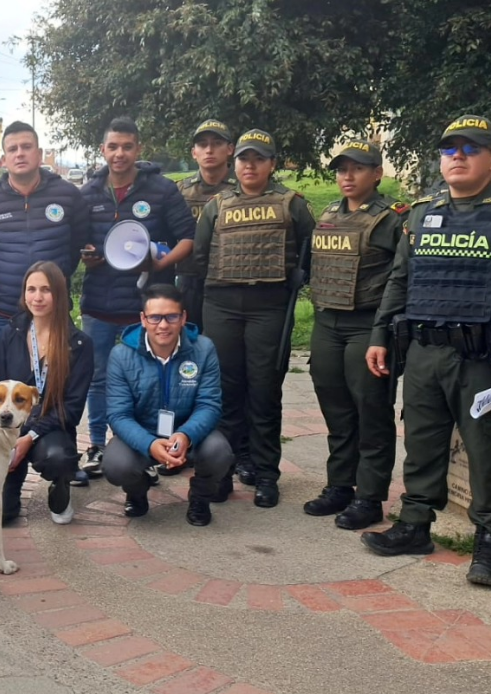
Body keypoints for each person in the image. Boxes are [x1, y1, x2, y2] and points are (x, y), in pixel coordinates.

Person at [362, 115, 491, 588]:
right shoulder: (423, 211)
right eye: (450, 150)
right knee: (422, 444)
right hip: (426, 351)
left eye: (471, 149)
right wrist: (379, 334)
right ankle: (414, 524)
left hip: (484, 359)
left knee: (487, 452)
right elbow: (401, 280)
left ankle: (490, 542)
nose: (458, 157)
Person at [193, 129, 314, 509]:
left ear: (271, 164)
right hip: (222, 304)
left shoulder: (293, 204)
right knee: (225, 393)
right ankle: (222, 473)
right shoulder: (217, 205)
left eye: (258, 159)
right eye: (244, 158)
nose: (250, 165)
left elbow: (311, 251)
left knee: (264, 393)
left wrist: (300, 275)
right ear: (237, 162)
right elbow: (200, 257)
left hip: (269, 306)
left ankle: (266, 475)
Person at [78, 117, 193, 483]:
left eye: (127, 146)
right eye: (113, 147)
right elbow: (76, 240)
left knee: (148, 381)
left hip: (144, 308)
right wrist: (86, 255)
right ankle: (97, 444)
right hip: (98, 303)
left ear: (138, 149)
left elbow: (188, 239)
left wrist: (161, 262)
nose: (120, 153)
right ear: (103, 150)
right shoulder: (89, 192)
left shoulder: (162, 190)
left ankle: (148, 447)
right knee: (97, 380)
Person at [303, 140, 405, 530]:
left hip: (369, 324)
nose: (347, 176)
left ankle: (370, 497)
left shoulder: (394, 218)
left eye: (357, 168)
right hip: (328, 322)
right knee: (337, 409)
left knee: (372, 411)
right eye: (342, 169)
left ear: (377, 173)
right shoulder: (328, 213)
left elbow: (402, 278)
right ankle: (339, 486)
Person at [0, 261, 92, 526]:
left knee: (57, 458)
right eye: (31, 289)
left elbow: (71, 409)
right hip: (7, 430)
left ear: (59, 294)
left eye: (46, 290)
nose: (37, 297)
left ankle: (60, 487)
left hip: (51, 429)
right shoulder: (9, 334)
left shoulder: (79, 344)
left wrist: (29, 436)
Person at [103, 284, 232, 523]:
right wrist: (149, 443)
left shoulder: (204, 349)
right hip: (142, 433)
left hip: (189, 433)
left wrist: (186, 434)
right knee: (115, 465)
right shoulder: (121, 355)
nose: (163, 325)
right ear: (143, 319)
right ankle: (137, 493)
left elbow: (209, 404)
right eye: (155, 317)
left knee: (219, 451)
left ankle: (200, 498)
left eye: (171, 316)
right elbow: (118, 415)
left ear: (183, 317)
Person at [0, 121, 89, 361]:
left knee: (56, 387)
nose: (20, 153)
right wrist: (0, 278)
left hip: (53, 312)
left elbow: (77, 245)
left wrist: (57, 277)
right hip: (0, 312)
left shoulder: (68, 196)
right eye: (12, 149)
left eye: (26, 146)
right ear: (3, 159)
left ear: (39, 153)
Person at [175, 120, 237, 332]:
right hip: (188, 281)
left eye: (217, 143)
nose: (209, 149)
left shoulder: (244, 188)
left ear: (230, 149)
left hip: (230, 283)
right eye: (202, 144)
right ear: (194, 152)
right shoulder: (180, 192)